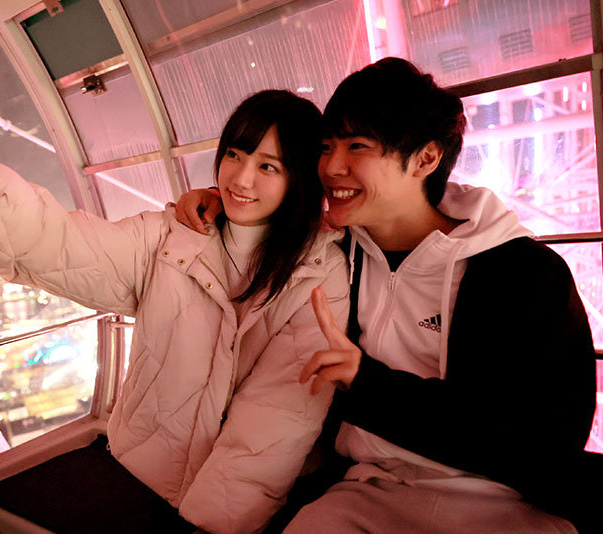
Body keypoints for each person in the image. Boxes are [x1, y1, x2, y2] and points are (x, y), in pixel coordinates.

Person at [176, 58, 600, 533]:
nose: (331, 167)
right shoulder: (336, 252)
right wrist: (218, 202)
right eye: (326, 147)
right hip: (364, 492)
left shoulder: (524, 273)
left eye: (357, 146)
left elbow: (547, 440)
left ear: (425, 159)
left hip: (504, 502)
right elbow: (266, 222)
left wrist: (366, 383)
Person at [0, 86, 351, 533]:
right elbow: (65, 246)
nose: (241, 179)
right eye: (234, 155)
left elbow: (275, 422)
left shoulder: (316, 272)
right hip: (141, 475)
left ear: (299, 179)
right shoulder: (172, 237)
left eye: (268, 166)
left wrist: (212, 525)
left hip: (235, 514)